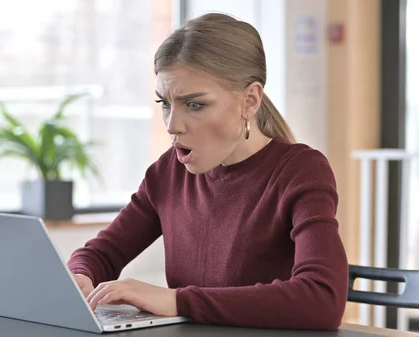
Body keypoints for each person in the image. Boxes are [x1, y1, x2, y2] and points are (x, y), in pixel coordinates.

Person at [67, 13, 348, 330]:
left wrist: (177, 301)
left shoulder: (300, 171)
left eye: (195, 105)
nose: (173, 125)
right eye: (165, 103)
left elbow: (322, 300)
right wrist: (80, 277)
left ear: (250, 100)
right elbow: (101, 254)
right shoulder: (168, 173)